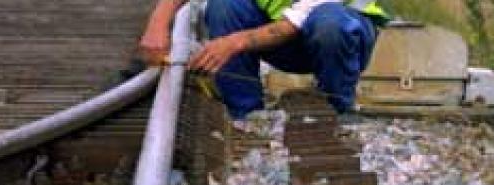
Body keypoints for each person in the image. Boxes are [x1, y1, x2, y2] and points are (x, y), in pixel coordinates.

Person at [140, 0, 390, 119]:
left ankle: (338, 110)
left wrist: (232, 42)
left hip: (340, 38)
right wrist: (158, 23)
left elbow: (289, 26)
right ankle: (246, 116)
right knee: (223, 6)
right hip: (282, 41)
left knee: (330, 25)